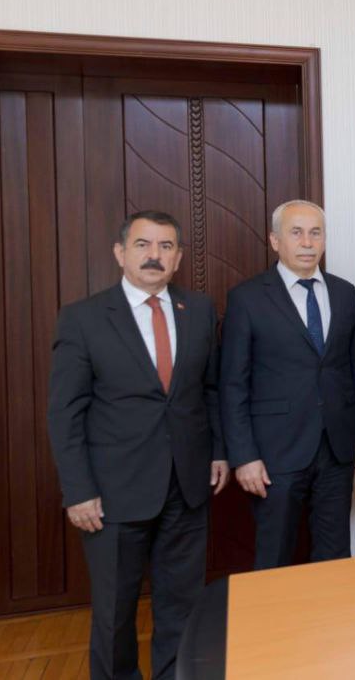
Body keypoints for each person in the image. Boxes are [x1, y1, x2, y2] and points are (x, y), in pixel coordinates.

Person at [47, 210, 228, 680]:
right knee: (115, 611)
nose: (154, 255)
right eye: (143, 245)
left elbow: (210, 390)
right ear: (120, 253)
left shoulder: (199, 310)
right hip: (113, 493)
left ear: (178, 257)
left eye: (166, 246)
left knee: (182, 603)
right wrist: (78, 491)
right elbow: (65, 413)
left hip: (187, 485)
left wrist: (218, 451)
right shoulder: (83, 318)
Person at [220, 199, 355, 569]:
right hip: (275, 451)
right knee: (275, 556)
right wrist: (244, 456)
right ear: (275, 241)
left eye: (315, 233)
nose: (307, 242)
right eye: (297, 233)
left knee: (334, 555)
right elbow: (232, 385)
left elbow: (354, 370)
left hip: (337, 447)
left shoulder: (344, 292)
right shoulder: (247, 298)